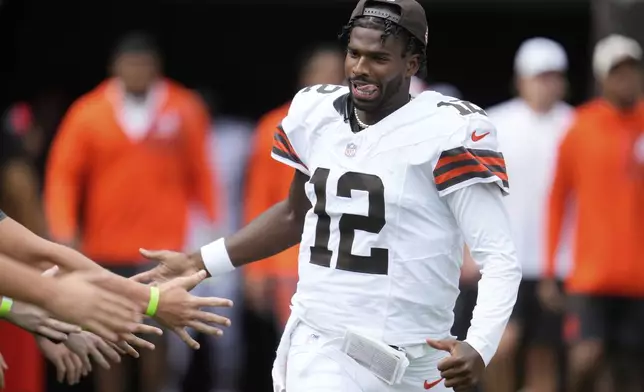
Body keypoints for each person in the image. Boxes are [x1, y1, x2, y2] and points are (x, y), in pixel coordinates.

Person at [135, 1, 522, 391]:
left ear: (412, 63)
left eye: (378, 57)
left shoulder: (449, 129)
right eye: (354, 53)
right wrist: (198, 261)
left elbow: (499, 257)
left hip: (420, 360)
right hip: (326, 342)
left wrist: (479, 344)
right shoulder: (316, 113)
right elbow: (293, 214)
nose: (359, 68)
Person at [45, 32, 218, 392]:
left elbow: (201, 171)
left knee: (156, 338)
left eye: (145, 64)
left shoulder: (183, 107)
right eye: (131, 64)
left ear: (157, 67)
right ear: (115, 67)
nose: (138, 71)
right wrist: (64, 228)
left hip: (163, 248)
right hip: (104, 248)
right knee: (108, 337)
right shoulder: (88, 111)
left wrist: (208, 231)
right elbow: (63, 175)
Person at [542, 34, 644, 392]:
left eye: (632, 71)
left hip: (639, 276)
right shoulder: (581, 128)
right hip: (591, 273)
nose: (626, 79)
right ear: (602, 78)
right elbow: (557, 200)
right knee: (586, 355)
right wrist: (551, 267)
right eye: (617, 73)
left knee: (631, 369)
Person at [484, 37, 573, 392]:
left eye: (553, 76)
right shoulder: (493, 123)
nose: (545, 84)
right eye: (538, 76)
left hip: (558, 262)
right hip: (504, 258)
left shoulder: (574, 124)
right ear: (520, 79)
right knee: (498, 348)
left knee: (545, 354)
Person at [243, 42, 345, 329]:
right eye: (321, 73)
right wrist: (255, 267)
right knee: (293, 347)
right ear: (305, 79)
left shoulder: (361, 127)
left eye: (336, 73)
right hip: (288, 259)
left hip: (344, 260)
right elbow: (258, 198)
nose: (329, 80)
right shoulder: (274, 126)